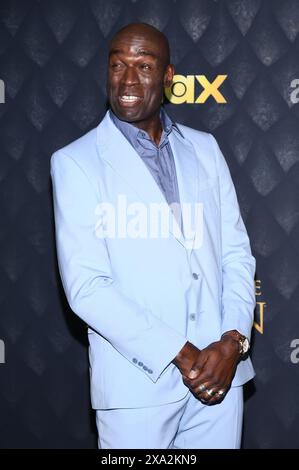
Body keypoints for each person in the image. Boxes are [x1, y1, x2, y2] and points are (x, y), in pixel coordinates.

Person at [50, 22, 256, 449]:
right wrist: (184, 354)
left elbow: (236, 256)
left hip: (220, 381)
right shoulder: (76, 162)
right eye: (117, 65)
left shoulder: (206, 149)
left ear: (168, 78)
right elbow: (87, 288)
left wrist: (232, 342)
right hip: (137, 387)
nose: (126, 79)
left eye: (143, 66)